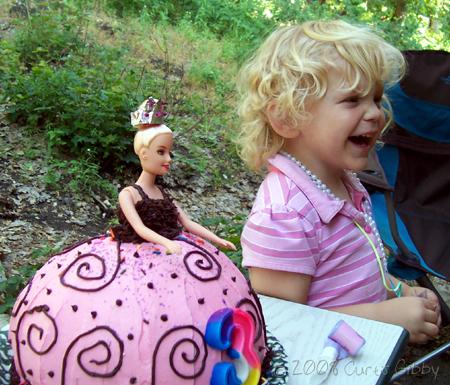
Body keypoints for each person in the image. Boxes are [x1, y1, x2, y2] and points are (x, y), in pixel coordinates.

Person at [237, 20, 441, 343]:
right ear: (287, 118)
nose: (375, 113)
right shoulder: (285, 215)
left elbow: (354, 272)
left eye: (375, 99)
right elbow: (281, 329)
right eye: (352, 100)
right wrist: (385, 320)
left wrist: (397, 290)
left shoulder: (343, 181)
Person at [111, 96, 236, 254]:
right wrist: (166, 243)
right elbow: (139, 227)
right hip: (138, 254)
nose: (168, 159)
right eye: (161, 152)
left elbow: (188, 223)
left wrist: (217, 239)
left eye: (169, 152)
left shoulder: (163, 195)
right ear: (144, 154)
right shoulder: (128, 194)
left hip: (171, 249)